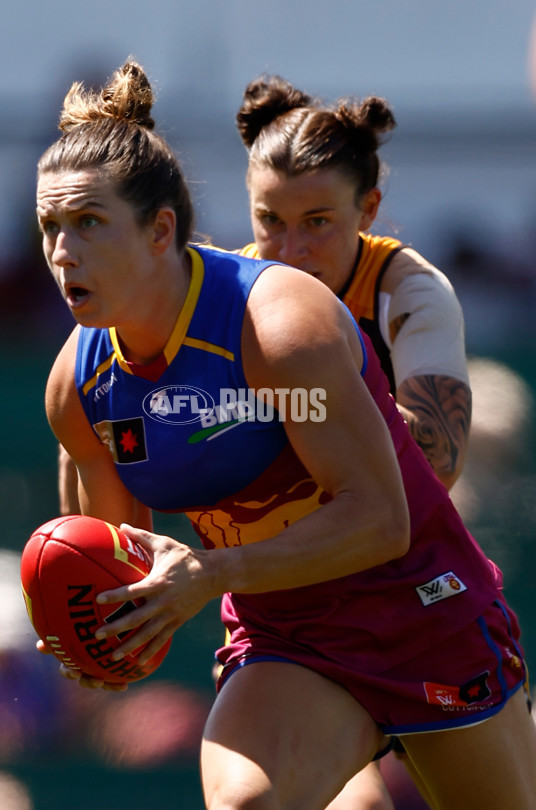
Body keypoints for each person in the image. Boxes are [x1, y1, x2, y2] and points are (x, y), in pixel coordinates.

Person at [36, 59, 536, 810]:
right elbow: (121, 564)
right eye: (50, 228)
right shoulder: (79, 386)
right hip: (287, 638)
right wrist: (101, 634)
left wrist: (209, 572)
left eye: (88, 224)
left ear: (160, 230)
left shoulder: (278, 327)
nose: (63, 253)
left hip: (421, 610)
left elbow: (382, 519)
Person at [233, 75, 474, 809]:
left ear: (367, 210)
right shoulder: (224, 295)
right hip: (290, 617)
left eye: (317, 222)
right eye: (269, 220)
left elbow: (435, 464)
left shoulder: (412, 291)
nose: (290, 248)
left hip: (424, 603)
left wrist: (298, 405)